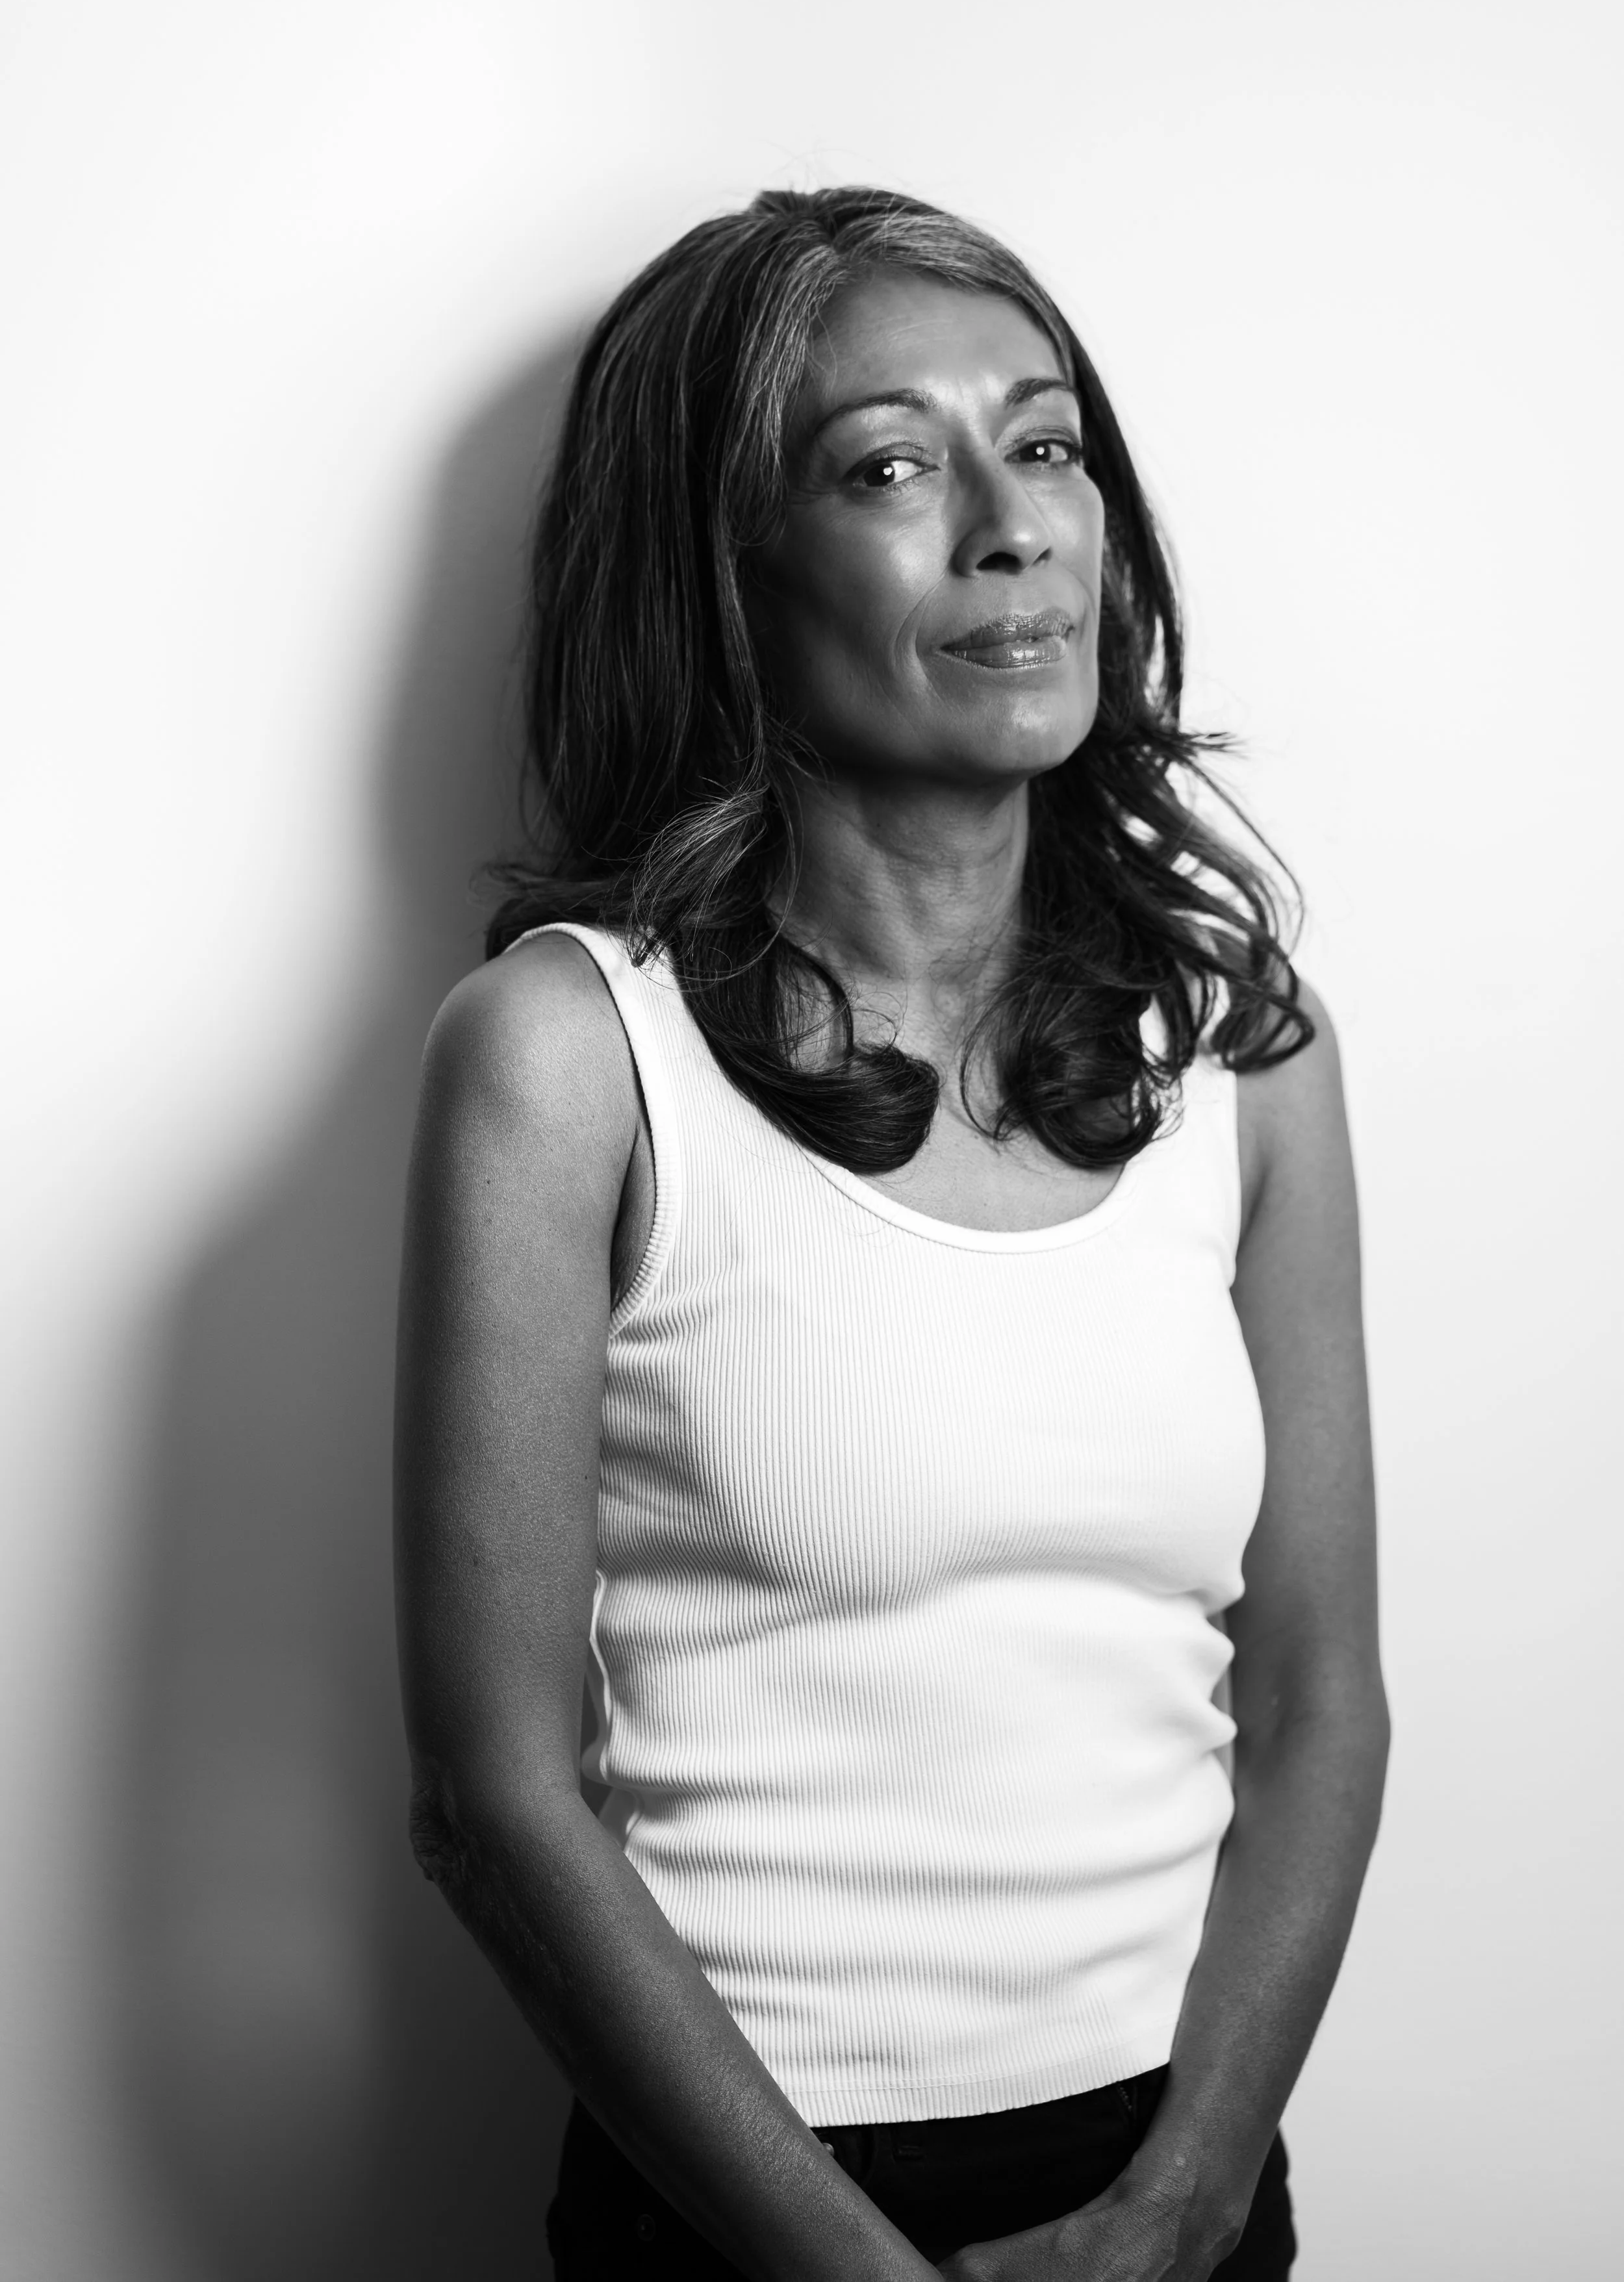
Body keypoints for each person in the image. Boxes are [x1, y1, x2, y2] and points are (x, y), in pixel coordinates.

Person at [393, 186, 1388, 2281]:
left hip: (1182, 2186)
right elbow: (493, 1794)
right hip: (744, 2204)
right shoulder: (570, 1060)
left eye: (1042, 444)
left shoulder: (1241, 1048)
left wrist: (1185, 2204)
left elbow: (1315, 1694)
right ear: (728, 568)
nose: (1011, 525)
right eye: (886, 466)